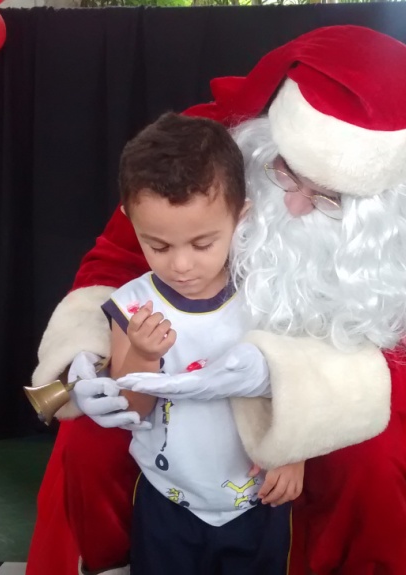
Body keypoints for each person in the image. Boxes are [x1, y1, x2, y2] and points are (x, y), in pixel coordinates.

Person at [25, 26, 406, 575]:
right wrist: (86, 355)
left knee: (367, 469)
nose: (296, 206)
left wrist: (285, 388)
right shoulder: (210, 150)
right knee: (89, 440)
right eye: (286, 173)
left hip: (343, 379)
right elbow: (115, 259)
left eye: (329, 197)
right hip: (176, 358)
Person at [85, 112, 296, 574]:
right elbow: (130, 409)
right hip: (167, 500)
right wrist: (143, 355)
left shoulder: (267, 294)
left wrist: (293, 453)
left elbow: (297, 384)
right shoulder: (133, 306)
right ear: (131, 221)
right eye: (158, 246)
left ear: (241, 216)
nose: (180, 265)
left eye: (202, 244)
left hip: (258, 500)